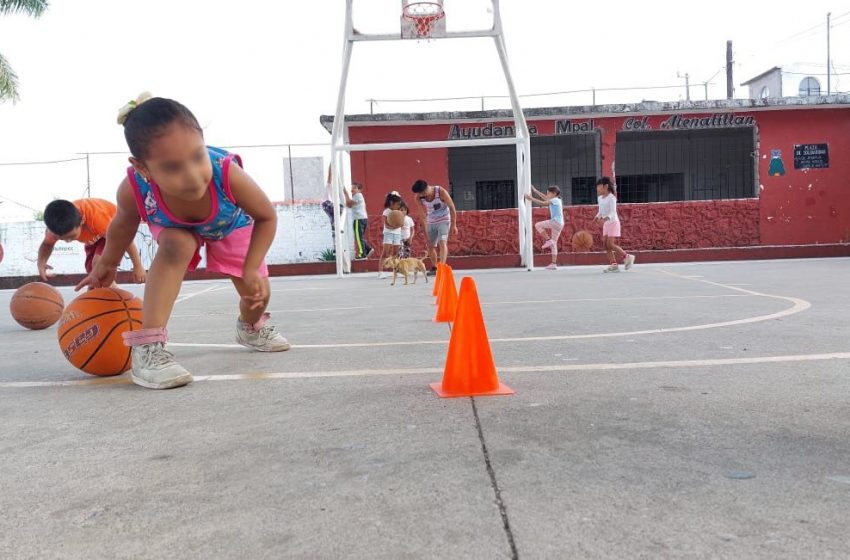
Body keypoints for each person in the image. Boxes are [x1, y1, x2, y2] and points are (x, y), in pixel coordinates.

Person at [76, 93, 290, 390]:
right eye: (172, 167)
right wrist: (107, 263)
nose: (191, 175)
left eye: (197, 156)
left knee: (257, 295)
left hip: (230, 224)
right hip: (175, 227)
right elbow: (122, 224)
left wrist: (252, 267)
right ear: (143, 168)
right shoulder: (133, 188)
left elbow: (266, 216)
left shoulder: (227, 174)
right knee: (178, 244)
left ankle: (251, 327)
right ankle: (148, 350)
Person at [37, 198, 146, 284]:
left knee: (98, 265)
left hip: (114, 231)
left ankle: (116, 300)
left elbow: (123, 239)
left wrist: (137, 266)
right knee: (92, 275)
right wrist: (41, 263)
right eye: (62, 239)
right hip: (93, 239)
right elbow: (46, 245)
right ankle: (105, 294)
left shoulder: (98, 220)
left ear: (82, 221)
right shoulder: (54, 231)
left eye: (72, 236)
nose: (68, 241)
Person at [411, 179, 457, 276]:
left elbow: (452, 207)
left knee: (442, 242)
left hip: (444, 219)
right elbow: (422, 216)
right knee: (430, 245)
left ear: (427, 187)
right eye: (420, 194)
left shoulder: (440, 191)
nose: (422, 195)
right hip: (431, 221)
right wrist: (426, 234)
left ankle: (442, 267)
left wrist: (453, 225)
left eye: (423, 193)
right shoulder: (418, 198)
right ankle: (435, 266)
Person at [595, 176, 635, 273]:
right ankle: (614, 265)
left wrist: (605, 219)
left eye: (599, 186)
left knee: (610, 244)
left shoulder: (612, 198)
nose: (597, 188)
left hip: (613, 222)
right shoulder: (600, 198)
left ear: (606, 186)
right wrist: (596, 217)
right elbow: (601, 211)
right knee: (605, 245)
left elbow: (613, 212)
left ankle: (628, 256)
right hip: (606, 224)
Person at [524, 185, 565, 270]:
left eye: (548, 193)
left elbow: (542, 203)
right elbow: (544, 197)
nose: (547, 195)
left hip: (555, 222)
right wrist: (535, 191)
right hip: (560, 224)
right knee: (554, 244)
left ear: (554, 193)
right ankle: (553, 264)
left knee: (538, 225)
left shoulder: (555, 200)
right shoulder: (556, 200)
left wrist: (530, 198)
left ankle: (548, 240)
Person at [379, 192, 403, 279]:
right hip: (388, 233)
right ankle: (381, 272)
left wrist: (398, 225)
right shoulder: (386, 211)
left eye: (399, 205)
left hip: (397, 233)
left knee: (396, 253)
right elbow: (385, 224)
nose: (398, 206)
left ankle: (396, 271)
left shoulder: (399, 212)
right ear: (391, 203)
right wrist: (393, 226)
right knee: (385, 253)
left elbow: (401, 223)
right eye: (397, 204)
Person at [349, 182, 373, 259]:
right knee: (359, 237)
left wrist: (345, 193)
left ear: (359, 190)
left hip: (358, 219)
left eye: (355, 188)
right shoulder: (357, 196)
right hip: (363, 218)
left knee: (359, 237)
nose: (352, 189)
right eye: (352, 187)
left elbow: (349, 204)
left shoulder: (357, 196)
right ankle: (368, 249)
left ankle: (362, 254)